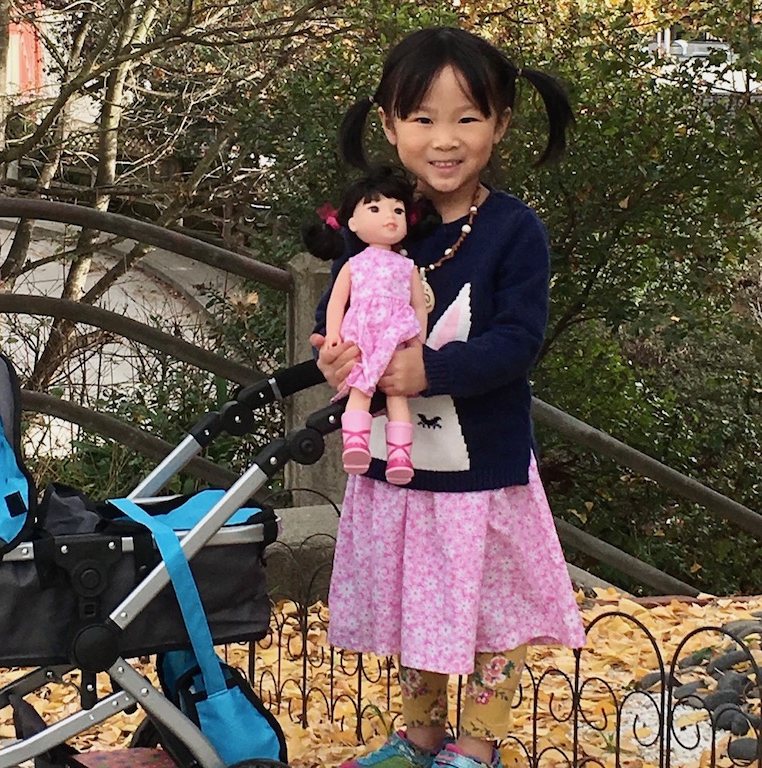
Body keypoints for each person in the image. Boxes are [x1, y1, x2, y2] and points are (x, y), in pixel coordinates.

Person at [309, 26, 588, 768]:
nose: (445, 139)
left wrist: (431, 372)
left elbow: (517, 340)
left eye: (467, 118)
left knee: (493, 613)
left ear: (500, 124)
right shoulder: (377, 225)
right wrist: (333, 355)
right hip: (403, 468)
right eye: (423, 119)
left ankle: (478, 744)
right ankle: (420, 735)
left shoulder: (512, 230)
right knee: (416, 603)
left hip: (484, 466)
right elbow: (337, 313)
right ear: (390, 124)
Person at [303, 166, 436, 485]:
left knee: (397, 396)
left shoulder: (407, 266)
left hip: (395, 337)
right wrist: (333, 334)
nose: (388, 217)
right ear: (352, 222)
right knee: (361, 390)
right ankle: (355, 444)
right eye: (374, 208)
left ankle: (401, 455)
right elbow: (336, 302)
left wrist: (419, 342)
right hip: (361, 337)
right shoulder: (353, 264)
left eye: (398, 210)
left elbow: (418, 305)